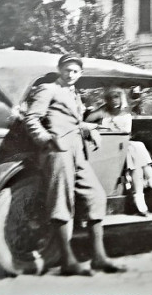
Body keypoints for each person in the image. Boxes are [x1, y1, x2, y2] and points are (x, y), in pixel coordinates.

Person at [24, 54, 127, 275]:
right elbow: (32, 118)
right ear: (59, 70)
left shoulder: (74, 94)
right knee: (61, 203)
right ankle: (67, 261)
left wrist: (89, 129)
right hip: (58, 152)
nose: (70, 74)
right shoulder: (48, 89)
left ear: (80, 73)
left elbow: (73, 121)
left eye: (75, 71)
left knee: (96, 196)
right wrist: (46, 140)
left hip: (77, 152)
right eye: (66, 70)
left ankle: (99, 257)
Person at [86, 87, 152, 216]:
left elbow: (127, 133)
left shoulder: (125, 113)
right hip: (107, 146)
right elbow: (86, 121)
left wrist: (115, 128)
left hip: (122, 145)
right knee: (137, 146)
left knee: (135, 157)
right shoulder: (103, 110)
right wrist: (97, 127)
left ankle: (142, 205)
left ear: (122, 99)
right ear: (107, 100)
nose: (114, 101)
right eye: (111, 98)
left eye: (117, 98)